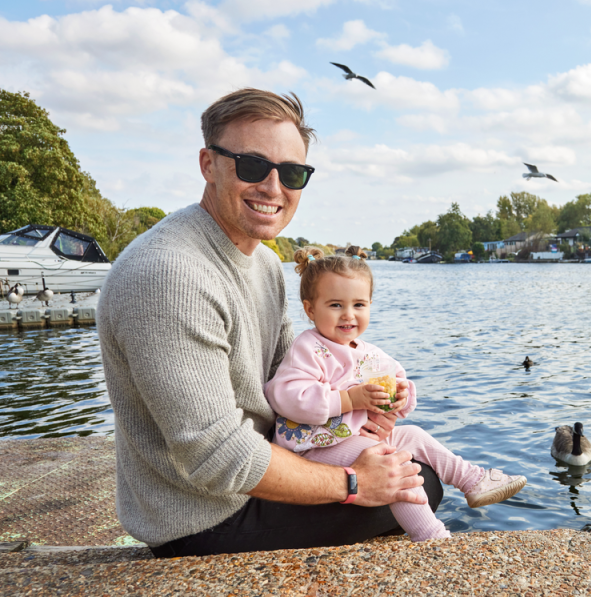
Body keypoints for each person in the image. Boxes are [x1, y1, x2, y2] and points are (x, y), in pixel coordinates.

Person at [98, 88, 443, 558]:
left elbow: (290, 376)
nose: (274, 188)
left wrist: (361, 412)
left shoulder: (261, 262)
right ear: (208, 164)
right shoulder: (168, 274)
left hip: (261, 468)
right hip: (202, 515)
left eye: (294, 173)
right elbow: (215, 457)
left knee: (408, 464)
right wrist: (353, 480)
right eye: (252, 165)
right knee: (419, 485)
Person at [266, 248, 527, 541]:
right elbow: (288, 395)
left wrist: (402, 396)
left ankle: (472, 480)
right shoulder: (309, 348)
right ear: (311, 309)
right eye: (336, 305)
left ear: (370, 305)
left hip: (353, 437)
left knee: (414, 434)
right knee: (392, 463)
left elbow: (398, 380)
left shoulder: (368, 352)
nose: (349, 315)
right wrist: (350, 400)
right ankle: (431, 536)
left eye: (359, 304)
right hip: (314, 446)